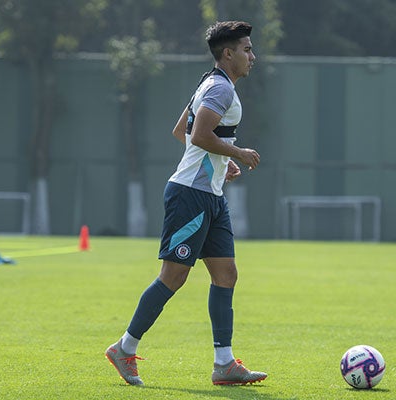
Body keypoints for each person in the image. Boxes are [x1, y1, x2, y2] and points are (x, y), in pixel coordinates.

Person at [105, 21, 267, 386]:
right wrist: (237, 152)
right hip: (189, 196)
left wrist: (220, 167)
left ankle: (224, 365)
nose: (252, 56)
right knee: (174, 276)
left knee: (226, 275)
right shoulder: (220, 89)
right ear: (228, 53)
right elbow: (197, 134)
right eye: (247, 49)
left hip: (210, 195)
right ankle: (124, 349)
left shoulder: (210, 84)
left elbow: (183, 133)